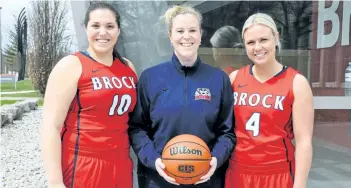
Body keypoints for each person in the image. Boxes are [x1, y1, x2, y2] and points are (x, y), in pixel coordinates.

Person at [128, 5, 236, 188]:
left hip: (206, 180)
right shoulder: (150, 78)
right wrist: (155, 160)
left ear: (201, 35)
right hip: (160, 180)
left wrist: (215, 159)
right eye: (180, 31)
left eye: (192, 30)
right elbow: (137, 129)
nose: (187, 36)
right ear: (170, 36)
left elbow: (227, 132)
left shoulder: (219, 79)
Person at [41, 2, 137, 188]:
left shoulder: (128, 67)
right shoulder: (71, 65)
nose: (103, 32)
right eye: (96, 26)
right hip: (84, 162)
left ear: (118, 30)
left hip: (121, 162)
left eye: (109, 26)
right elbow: (50, 127)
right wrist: (54, 182)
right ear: (85, 28)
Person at [225, 13, 314, 188]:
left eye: (263, 39)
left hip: (277, 174)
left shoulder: (296, 82)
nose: (257, 47)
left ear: (276, 38)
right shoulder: (234, 79)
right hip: (238, 172)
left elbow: (304, 141)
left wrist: (300, 184)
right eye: (251, 42)